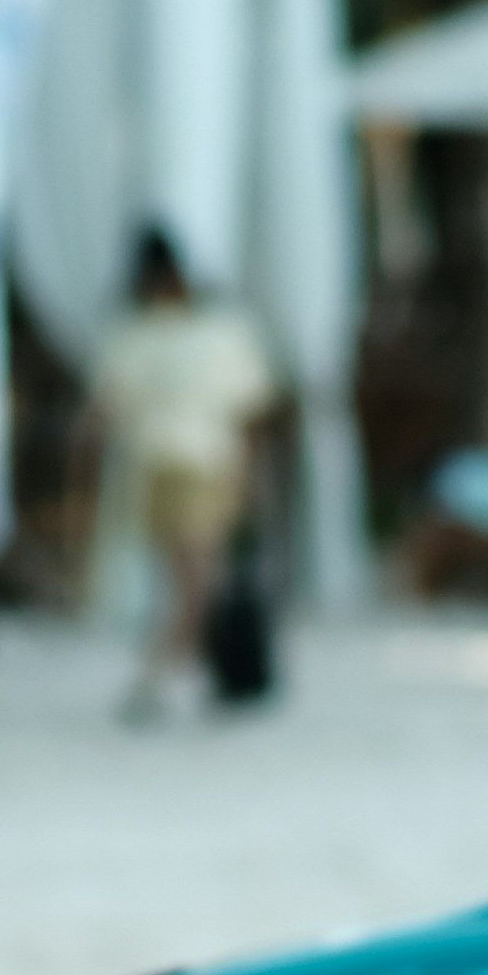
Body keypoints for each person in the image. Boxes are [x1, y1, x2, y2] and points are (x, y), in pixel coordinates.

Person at [87, 228, 276, 720]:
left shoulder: (187, 332)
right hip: (179, 466)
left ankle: (162, 673)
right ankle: (177, 672)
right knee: (194, 581)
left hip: (192, 465)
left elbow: (107, 407)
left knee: (194, 581)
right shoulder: (169, 332)